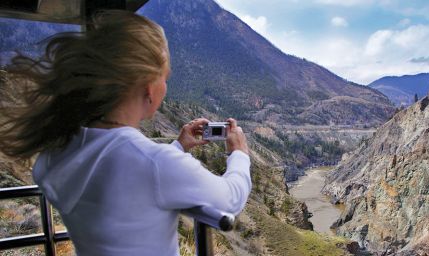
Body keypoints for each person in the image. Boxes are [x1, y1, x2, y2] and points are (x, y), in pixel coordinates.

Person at [0, 10, 251, 256]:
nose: (165, 86)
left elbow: (130, 179)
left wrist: (179, 147)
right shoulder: (155, 164)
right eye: (165, 77)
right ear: (149, 87)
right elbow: (230, 199)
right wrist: (239, 152)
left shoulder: (57, 153)